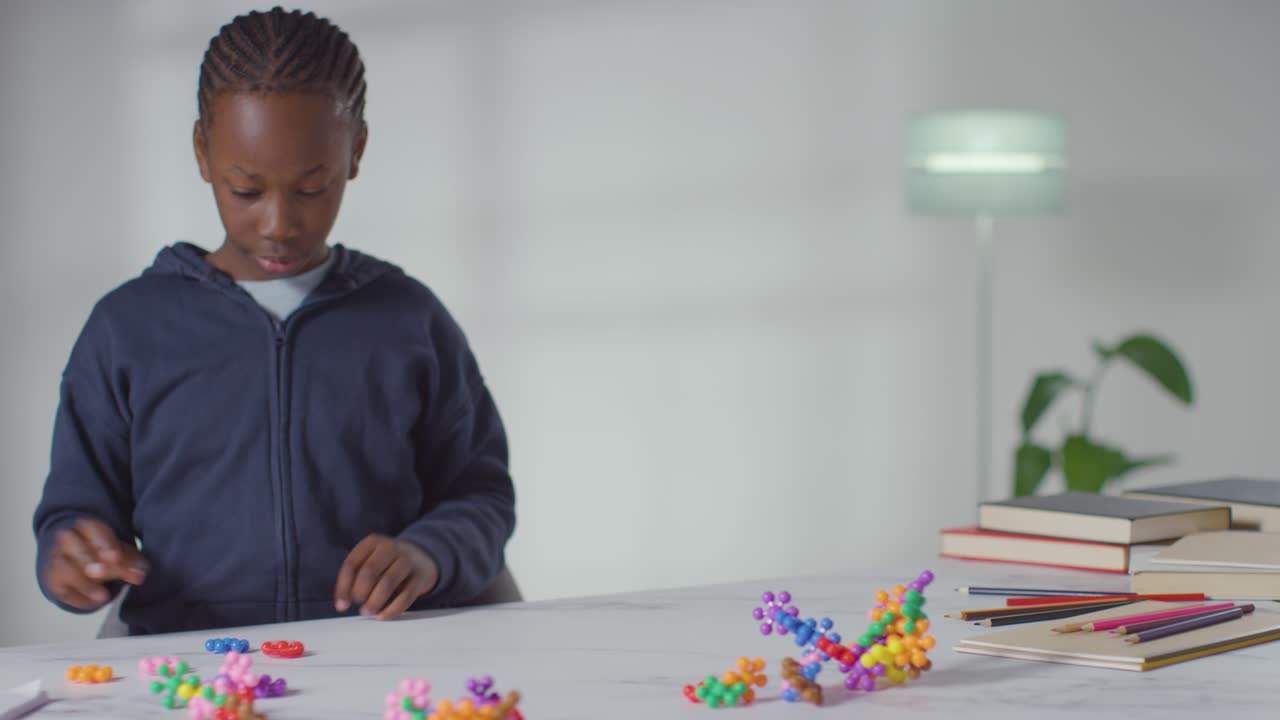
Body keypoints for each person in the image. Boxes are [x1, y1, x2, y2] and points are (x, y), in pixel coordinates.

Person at [31, 6, 516, 635]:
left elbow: (480, 495)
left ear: (356, 150)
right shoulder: (127, 329)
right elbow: (76, 507)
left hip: (382, 662)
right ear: (203, 151)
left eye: (311, 189)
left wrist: (429, 553)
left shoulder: (408, 321)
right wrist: (71, 555)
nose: (279, 223)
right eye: (246, 189)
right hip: (193, 667)